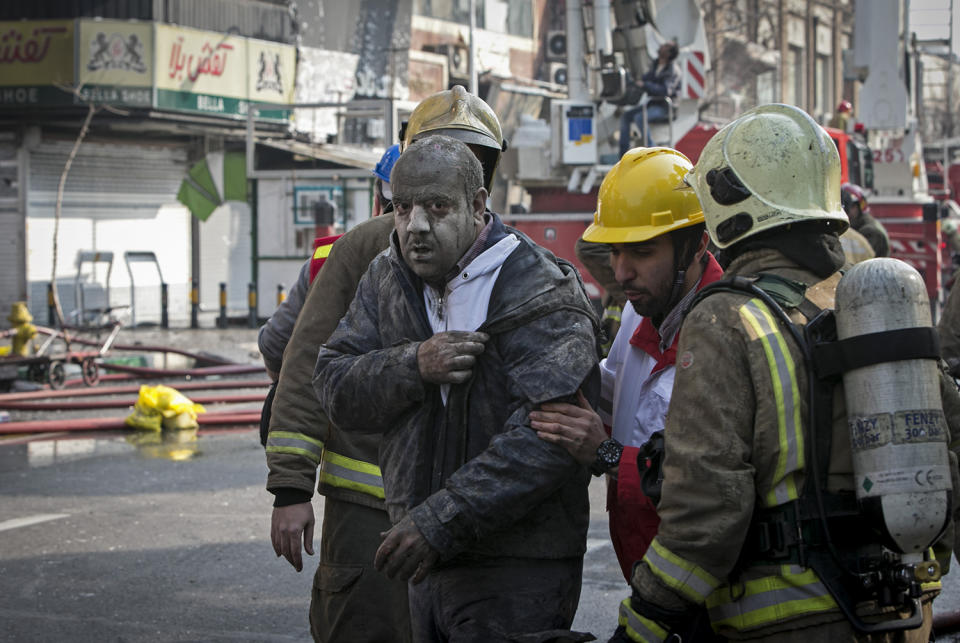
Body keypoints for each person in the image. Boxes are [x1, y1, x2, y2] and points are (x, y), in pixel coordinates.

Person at [612, 103, 960, 642]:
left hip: (790, 622)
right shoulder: (869, 305)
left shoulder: (726, 318)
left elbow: (706, 513)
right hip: (904, 611)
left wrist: (643, 623)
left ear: (729, 208)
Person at [313, 135, 600, 642]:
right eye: (402, 209)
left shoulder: (542, 287)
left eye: (437, 207)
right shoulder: (386, 275)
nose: (415, 226)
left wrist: (439, 521)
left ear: (477, 205)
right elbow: (332, 383)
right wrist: (412, 364)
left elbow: (548, 438)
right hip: (421, 557)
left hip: (515, 563)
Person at [265, 87, 507, 642]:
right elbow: (304, 363)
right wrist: (291, 489)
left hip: (465, 510)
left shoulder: (508, 255)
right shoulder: (364, 249)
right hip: (366, 510)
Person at [529, 147, 723, 582]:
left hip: (701, 589)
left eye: (641, 251)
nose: (621, 272)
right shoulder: (639, 315)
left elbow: (707, 487)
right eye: (615, 252)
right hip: (647, 573)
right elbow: (612, 400)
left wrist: (607, 452)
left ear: (697, 246)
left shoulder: (726, 335)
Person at [256, 144, 399, 447]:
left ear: (377, 200)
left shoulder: (327, 259)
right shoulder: (480, 260)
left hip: (351, 472)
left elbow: (274, 345)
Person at [618, 41, 681, 157]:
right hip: (652, 104)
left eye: (666, 46)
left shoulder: (673, 70)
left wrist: (645, 85)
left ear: (669, 53)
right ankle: (623, 154)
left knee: (640, 117)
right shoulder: (656, 65)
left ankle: (651, 150)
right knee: (625, 117)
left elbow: (666, 90)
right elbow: (645, 79)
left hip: (665, 107)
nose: (661, 46)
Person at [842, 182, 890, 257]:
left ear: (856, 207)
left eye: (847, 207)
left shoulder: (870, 232)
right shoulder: (863, 225)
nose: (844, 211)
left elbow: (861, 260)